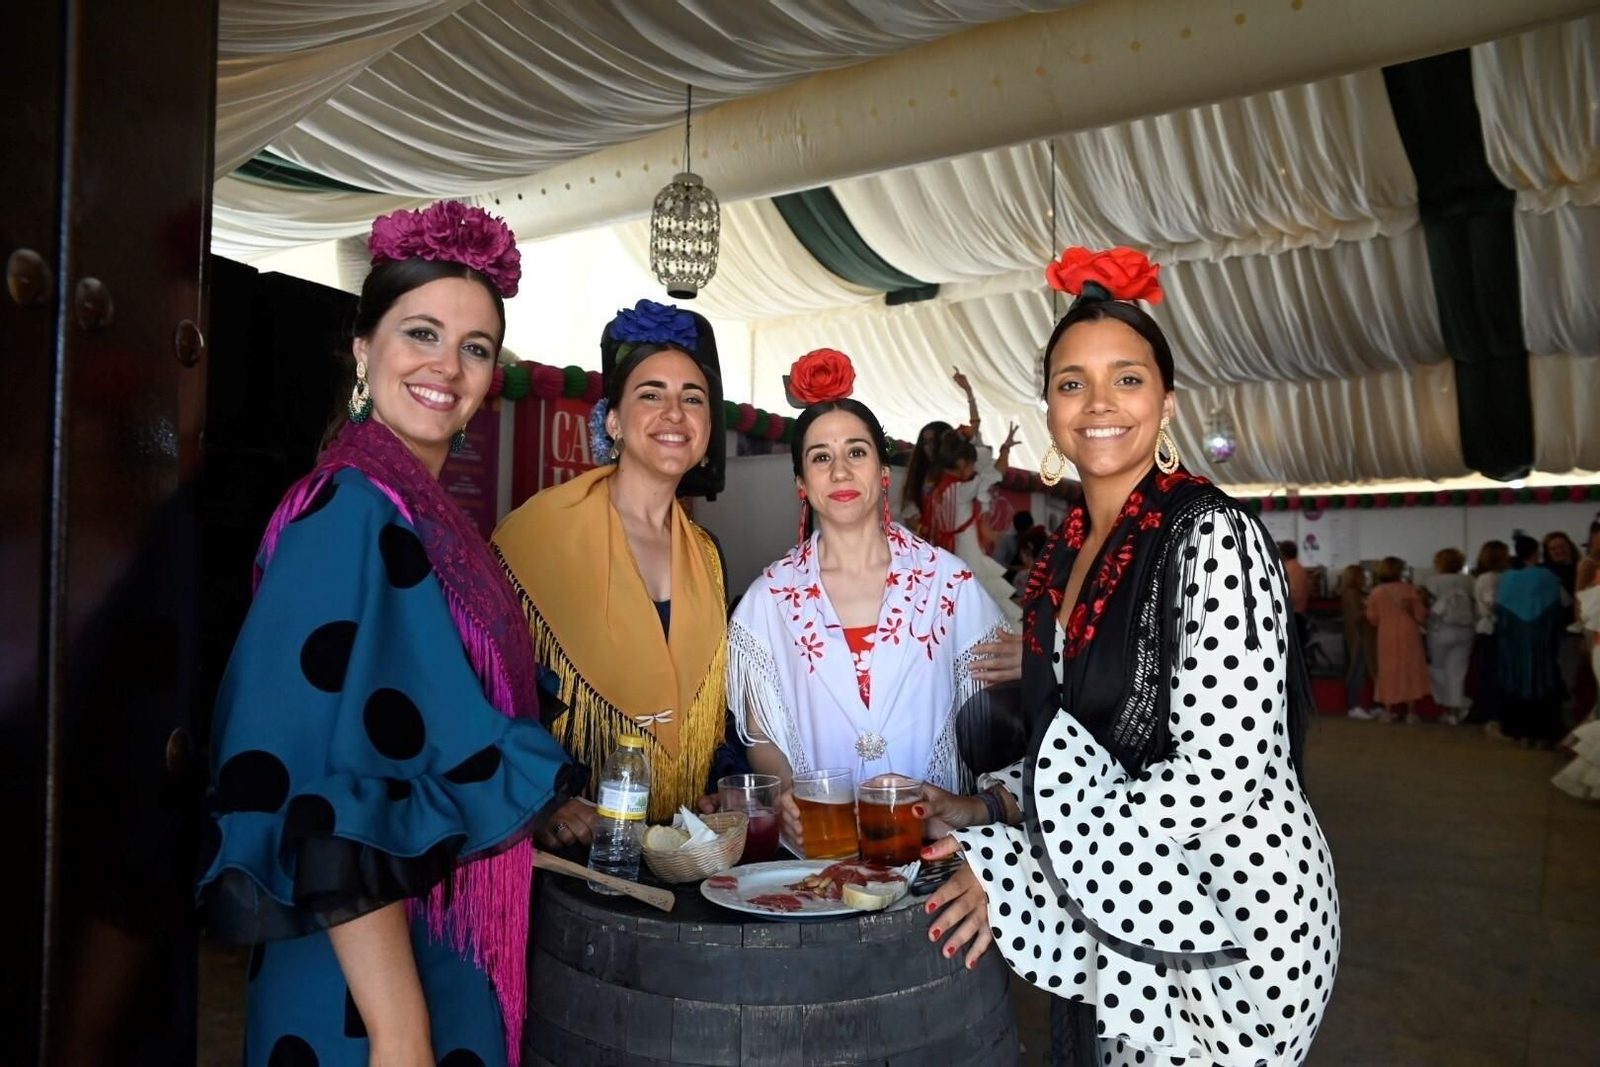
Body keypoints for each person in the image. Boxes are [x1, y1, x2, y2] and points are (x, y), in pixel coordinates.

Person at [920, 246, 1336, 1067]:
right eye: (1072, 382)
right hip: (1119, 912)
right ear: (1047, 407)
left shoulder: (1211, 536)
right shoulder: (1068, 550)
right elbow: (1082, 744)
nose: (1099, 402)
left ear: (1168, 401)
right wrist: (990, 805)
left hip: (1230, 921)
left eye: (1128, 378)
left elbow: (1219, 774)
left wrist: (1020, 871)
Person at [196, 202, 579, 1066]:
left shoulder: (422, 508)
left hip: (436, 942)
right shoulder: (349, 509)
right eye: (421, 333)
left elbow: (435, 727)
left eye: (475, 346)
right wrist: (400, 1030)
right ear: (362, 349)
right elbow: (322, 778)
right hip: (368, 988)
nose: (449, 365)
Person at [727, 349, 1023, 854]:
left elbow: (1002, 710)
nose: (840, 471)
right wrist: (788, 793)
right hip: (819, 855)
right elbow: (761, 732)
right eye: (821, 457)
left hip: (931, 850)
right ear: (801, 483)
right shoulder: (768, 598)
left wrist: (1036, 660)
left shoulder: (948, 584)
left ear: (883, 471)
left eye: (856, 452)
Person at [493, 299, 729, 830]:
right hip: (565, 854)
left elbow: (717, 714)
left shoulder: (708, 556)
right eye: (652, 395)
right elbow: (484, 690)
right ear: (614, 421)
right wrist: (543, 800)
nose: (675, 414)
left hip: (677, 851)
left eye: (693, 399)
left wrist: (716, 789)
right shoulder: (534, 535)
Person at [924, 411, 1024, 623]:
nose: (973, 468)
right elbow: (996, 473)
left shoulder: (938, 490)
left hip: (946, 550)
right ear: (962, 464)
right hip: (966, 550)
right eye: (971, 464)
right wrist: (1005, 449)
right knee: (981, 595)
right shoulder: (963, 489)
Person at [1496, 534, 1567, 747]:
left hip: (1515, 642)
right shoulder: (1547, 576)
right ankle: (1545, 734)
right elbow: (1562, 602)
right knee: (1543, 681)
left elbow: (1500, 610)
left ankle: (1520, 732)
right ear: (1537, 552)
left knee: (1518, 682)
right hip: (1542, 642)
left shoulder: (1508, 578)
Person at [1366, 556, 1431, 723]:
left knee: (1388, 669)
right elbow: (1421, 616)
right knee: (1410, 668)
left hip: (1386, 633)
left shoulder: (1377, 592)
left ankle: (1388, 710)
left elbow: (1372, 619)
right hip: (1409, 633)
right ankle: (1411, 712)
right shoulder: (1411, 590)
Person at [1420, 548, 1476, 725]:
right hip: (1466, 630)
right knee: (1458, 671)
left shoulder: (1431, 582)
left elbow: (1424, 605)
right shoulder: (1470, 581)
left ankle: (1448, 707)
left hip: (1440, 630)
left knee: (1438, 669)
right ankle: (1456, 709)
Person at [1471, 539, 1511, 735]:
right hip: (1492, 630)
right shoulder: (1490, 578)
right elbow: (1492, 603)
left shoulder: (1487, 577)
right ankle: (1493, 716)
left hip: (1490, 629)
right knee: (1493, 674)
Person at [901, 419, 955, 533]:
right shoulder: (921, 475)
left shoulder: (962, 473)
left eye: (934, 442)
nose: (929, 447)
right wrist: (924, 530)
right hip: (931, 542)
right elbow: (908, 516)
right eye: (925, 443)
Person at [1340, 564, 1379, 719]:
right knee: (1357, 671)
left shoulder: (1352, 593)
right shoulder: (1351, 594)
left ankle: (1357, 704)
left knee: (1361, 671)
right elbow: (1356, 615)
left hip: (1360, 637)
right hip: (1359, 638)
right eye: (1362, 576)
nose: (1365, 579)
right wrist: (1370, 607)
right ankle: (1353, 704)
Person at [1280, 539, 1313, 651]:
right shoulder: (1299, 568)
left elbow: (1290, 595)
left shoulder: (1287, 569)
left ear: (1283, 553)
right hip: (1299, 614)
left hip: (1292, 617)